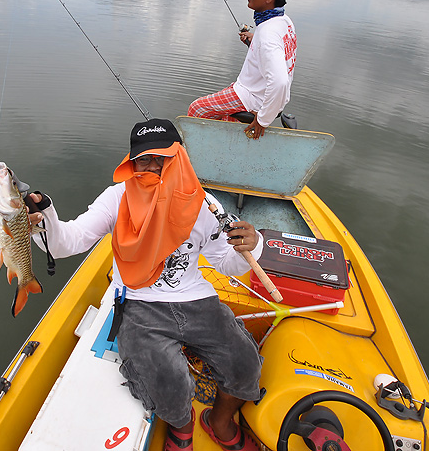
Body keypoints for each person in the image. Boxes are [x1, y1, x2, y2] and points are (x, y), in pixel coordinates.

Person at [24, 118, 263, 451]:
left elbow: (228, 263)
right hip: (138, 302)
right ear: (131, 162)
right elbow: (68, 241)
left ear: (178, 156)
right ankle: (182, 427)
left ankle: (220, 421)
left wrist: (252, 245)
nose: (151, 166)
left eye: (161, 157)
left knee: (245, 362)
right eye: (143, 159)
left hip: (195, 299)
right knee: (170, 378)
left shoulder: (204, 204)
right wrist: (44, 217)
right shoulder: (116, 197)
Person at [188, 0, 297, 140]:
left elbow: (280, 82)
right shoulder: (284, 21)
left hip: (254, 97)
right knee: (223, 115)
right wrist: (255, 43)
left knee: (197, 109)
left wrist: (263, 120)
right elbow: (278, 51)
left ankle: (200, 155)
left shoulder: (267, 34)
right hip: (267, 97)